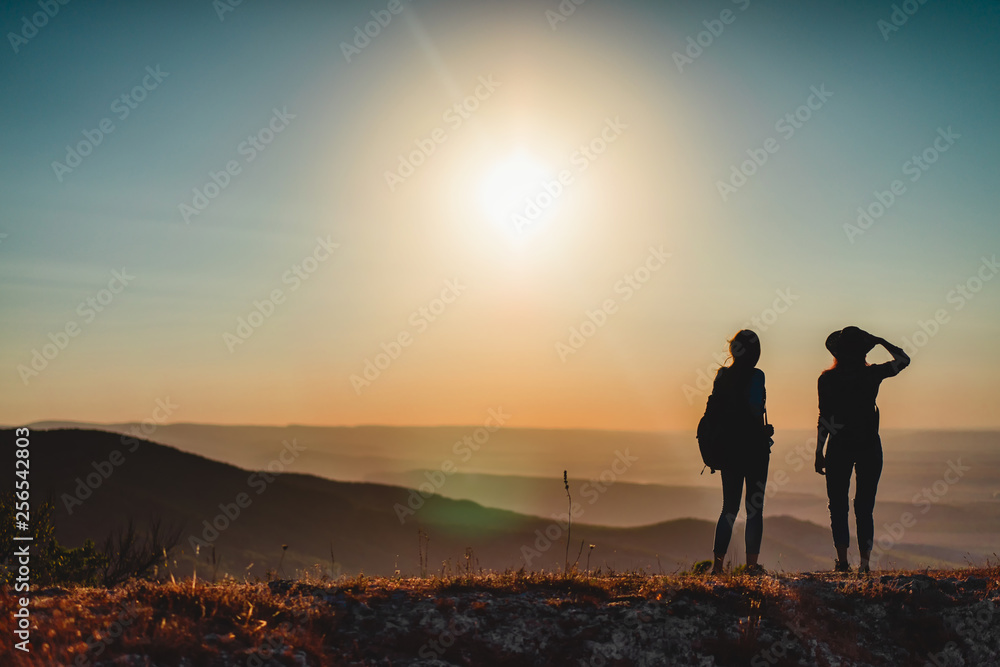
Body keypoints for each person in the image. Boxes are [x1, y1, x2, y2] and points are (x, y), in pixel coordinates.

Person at [815, 326, 910, 573]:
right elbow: (903, 360)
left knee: (837, 504)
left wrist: (818, 451)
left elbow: (824, 417)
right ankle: (865, 564)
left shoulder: (827, 379)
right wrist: (880, 340)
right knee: (864, 506)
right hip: (869, 443)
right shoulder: (872, 375)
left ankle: (843, 562)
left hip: (839, 445)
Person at [711, 329, 774, 576]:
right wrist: (764, 430)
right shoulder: (757, 376)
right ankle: (751, 566)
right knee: (754, 508)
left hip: (728, 449)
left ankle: (717, 566)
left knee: (728, 508)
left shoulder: (722, 376)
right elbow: (754, 410)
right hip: (754, 448)